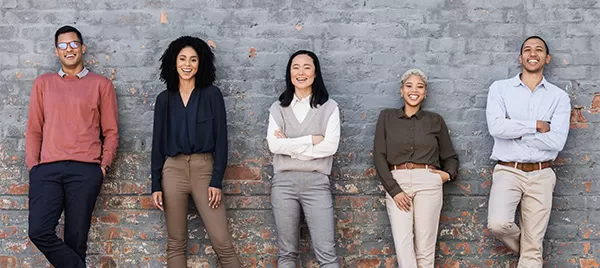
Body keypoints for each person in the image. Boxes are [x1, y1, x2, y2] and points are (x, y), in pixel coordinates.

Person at [26, 25, 119, 267]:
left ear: (83, 48)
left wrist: (103, 165)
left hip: (85, 170)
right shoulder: (43, 84)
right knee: (39, 230)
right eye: (63, 45)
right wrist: (33, 166)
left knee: (76, 240)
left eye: (74, 44)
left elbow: (111, 131)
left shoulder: (101, 85)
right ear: (56, 51)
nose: (69, 49)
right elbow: (34, 129)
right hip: (47, 170)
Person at [150, 36, 241, 267]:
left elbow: (221, 140)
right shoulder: (164, 100)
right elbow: (157, 145)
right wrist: (156, 185)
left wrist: (216, 180)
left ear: (201, 64)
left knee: (222, 242)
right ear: (174, 62)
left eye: (193, 59)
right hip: (173, 171)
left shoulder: (212, 95)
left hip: (204, 169)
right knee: (175, 243)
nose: (187, 64)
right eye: (182, 59)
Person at [486, 36, 570, 267]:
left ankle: (531, 252)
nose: (533, 54)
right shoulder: (500, 89)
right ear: (520, 57)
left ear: (547, 58)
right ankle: (530, 249)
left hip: (542, 173)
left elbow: (556, 141)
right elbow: (497, 127)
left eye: (539, 50)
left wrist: (515, 129)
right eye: (527, 50)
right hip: (508, 170)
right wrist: (536, 126)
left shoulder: (559, 97)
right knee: (498, 223)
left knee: (534, 249)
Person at [373, 69, 459, 267]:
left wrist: (445, 176)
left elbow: (450, 157)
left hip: (428, 182)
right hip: (397, 182)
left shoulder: (435, 120)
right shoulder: (386, 117)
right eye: (409, 86)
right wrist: (394, 191)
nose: (414, 90)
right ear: (401, 90)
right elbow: (379, 155)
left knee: (425, 249)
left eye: (420, 87)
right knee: (404, 248)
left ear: (425, 93)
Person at [266, 50, 341, 267]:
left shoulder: (329, 107)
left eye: (307, 67)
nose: (301, 72)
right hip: (284, 184)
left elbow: (330, 147)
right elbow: (274, 145)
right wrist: (310, 139)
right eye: (295, 67)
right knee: (287, 253)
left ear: (315, 73)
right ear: (289, 73)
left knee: (326, 253)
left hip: (317, 184)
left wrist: (289, 145)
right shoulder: (278, 108)